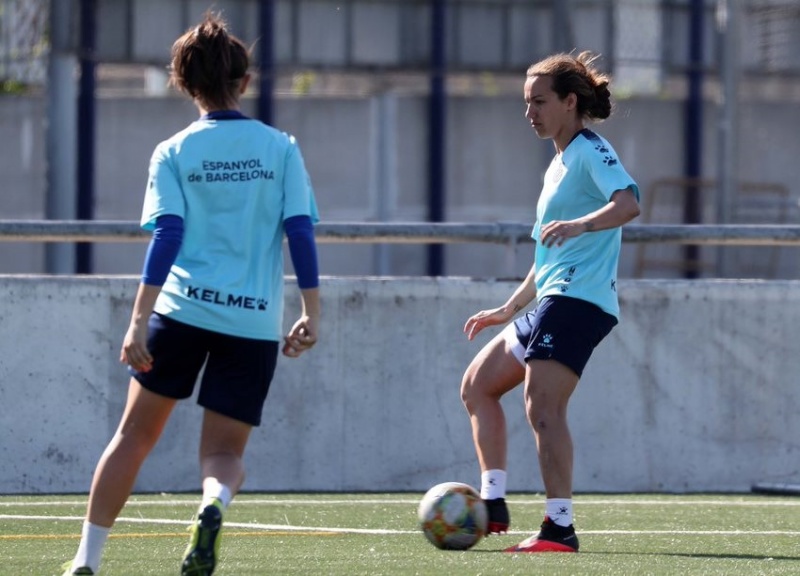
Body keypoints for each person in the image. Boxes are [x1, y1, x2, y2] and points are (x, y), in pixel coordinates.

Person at [61, 12, 320, 576]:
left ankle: (87, 560)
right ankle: (211, 504)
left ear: (184, 83)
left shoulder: (174, 151)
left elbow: (168, 236)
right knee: (223, 455)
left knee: (133, 437)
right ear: (244, 81)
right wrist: (311, 310)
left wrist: (137, 321)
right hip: (251, 323)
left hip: (179, 314)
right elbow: (299, 230)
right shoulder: (281, 148)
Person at [460, 51, 640, 553]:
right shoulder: (558, 165)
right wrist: (508, 308)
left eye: (539, 101)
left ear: (569, 102)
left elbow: (629, 202)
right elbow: (546, 257)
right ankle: (493, 501)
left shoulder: (590, 150)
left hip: (580, 300)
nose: (530, 112)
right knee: (477, 386)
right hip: (552, 299)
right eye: (526, 103)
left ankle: (559, 527)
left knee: (542, 405)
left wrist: (583, 224)